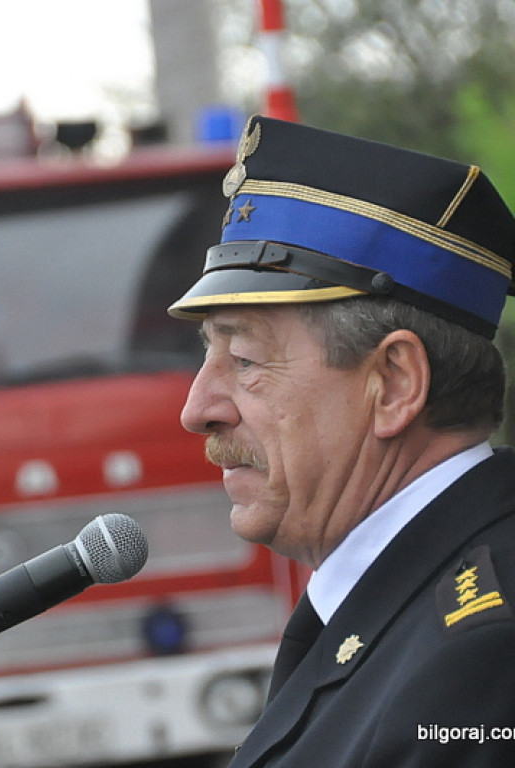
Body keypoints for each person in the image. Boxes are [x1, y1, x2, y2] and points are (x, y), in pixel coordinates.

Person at [167, 115, 515, 767]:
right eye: (207, 353)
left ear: (393, 382)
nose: (198, 409)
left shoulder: (484, 653)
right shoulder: (402, 606)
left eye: (244, 358)